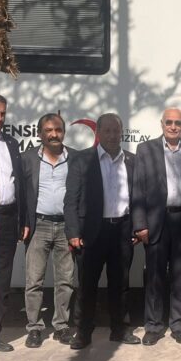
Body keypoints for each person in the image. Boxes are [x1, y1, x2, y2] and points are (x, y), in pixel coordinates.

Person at [132, 107, 181, 345]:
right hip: (156, 222)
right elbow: (138, 188)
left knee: (180, 278)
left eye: (178, 123)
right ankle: (153, 326)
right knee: (154, 277)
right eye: (169, 122)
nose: (173, 127)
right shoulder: (145, 149)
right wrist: (140, 224)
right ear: (162, 124)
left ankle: (180, 325)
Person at [65, 113, 139, 348]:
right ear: (97, 133)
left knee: (121, 285)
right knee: (87, 286)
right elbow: (71, 199)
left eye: (116, 130)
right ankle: (83, 332)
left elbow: (139, 198)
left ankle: (120, 329)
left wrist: (138, 227)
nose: (112, 135)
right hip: (92, 233)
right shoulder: (82, 160)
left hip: (122, 231)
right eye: (107, 130)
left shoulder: (131, 160)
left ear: (122, 133)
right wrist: (73, 232)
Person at [19, 113, 75, 348]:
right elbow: (22, 194)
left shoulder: (75, 158)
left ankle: (61, 326)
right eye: (49, 130)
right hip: (38, 225)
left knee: (66, 280)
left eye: (58, 130)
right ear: (40, 133)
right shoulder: (27, 159)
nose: (54, 134)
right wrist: (23, 222)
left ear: (64, 132)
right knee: (34, 281)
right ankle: (34, 328)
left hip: (65, 227)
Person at [0, 94, 24, 352]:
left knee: (1, 278)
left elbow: (18, 182)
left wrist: (22, 219)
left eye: (3, 113)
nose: (0, 118)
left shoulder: (11, 143)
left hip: (8, 217)